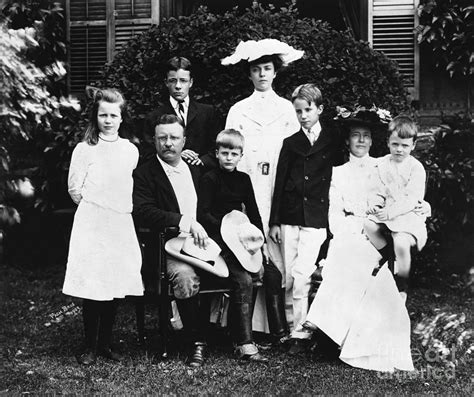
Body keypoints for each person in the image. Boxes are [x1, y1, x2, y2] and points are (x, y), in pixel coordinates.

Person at [300, 107, 428, 372]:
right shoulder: (338, 172)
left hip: (381, 232)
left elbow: (405, 196)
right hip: (350, 230)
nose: (360, 141)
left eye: (366, 136)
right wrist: (352, 230)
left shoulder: (383, 164)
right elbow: (334, 214)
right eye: (355, 135)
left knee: (357, 258)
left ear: (373, 140)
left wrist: (424, 206)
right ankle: (332, 332)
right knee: (345, 253)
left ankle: (335, 332)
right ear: (346, 140)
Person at [221, 39, 303, 343]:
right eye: (256, 70)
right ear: (250, 75)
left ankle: (282, 323)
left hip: (277, 187)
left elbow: (294, 155)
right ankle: (248, 323)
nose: (262, 75)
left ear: (275, 72)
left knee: (279, 249)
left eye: (267, 69)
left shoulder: (286, 109)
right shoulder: (239, 110)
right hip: (248, 183)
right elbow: (230, 151)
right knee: (248, 243)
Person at [63, 87, 143, 365]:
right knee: (93, 282)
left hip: (119, 221)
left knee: (114, 281)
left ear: (122, 118)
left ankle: (106, 343)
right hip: (93, 221)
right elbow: (75, 188)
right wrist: (95, 207)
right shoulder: (85, 149)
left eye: (113, 115)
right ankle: (89, 345)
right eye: (103, 115)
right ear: (95, 117)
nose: (108, 120)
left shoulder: (129, 150)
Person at [268, 84, 343, 354]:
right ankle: (292, 329)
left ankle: (302, 332)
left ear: (320, 109)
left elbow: (340, 177)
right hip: (290, 216)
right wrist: (275, 221)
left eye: (307, 110)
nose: (302, 115)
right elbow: (280, 182)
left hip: (316, 217)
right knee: (289, 276)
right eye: (298, 111)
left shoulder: (333, 140)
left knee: (303, 275)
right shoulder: (290, 143)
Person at [197, 129, 268, 362]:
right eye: (224, 153)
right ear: (216, 153)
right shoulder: (209, 178)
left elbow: (254, 212)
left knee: (265, 273)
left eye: (234, 153)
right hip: (216, 242)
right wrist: (227, 229)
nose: (228, 158)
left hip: (239, 239)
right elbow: (203, 214)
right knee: (243, 280)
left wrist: (260, 242)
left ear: (240, 156)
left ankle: (259, 333)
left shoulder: (243, 179)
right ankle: (244, 343)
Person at [364, 115, 428, 301]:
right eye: (395, 144)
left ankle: (403, 284)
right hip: (387, 214)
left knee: (400, 241)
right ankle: (387, 259)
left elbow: (412, 198)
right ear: (388, 143)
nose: (399, 149)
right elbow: (376, 190)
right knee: (368, 225)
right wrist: (375, 204)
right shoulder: (381, 164)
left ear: (413, 145)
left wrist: (390, 212)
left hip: (408, 216)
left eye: (405, 145)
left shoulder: (416, 168)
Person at [144, 56, 220, 168]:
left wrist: (202, 160)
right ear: (166, 82)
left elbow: (218, 147)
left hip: (203, 176)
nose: (178, 86)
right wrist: (176, 155)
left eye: (183, 81)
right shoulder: (154, 117)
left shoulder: (208, 112)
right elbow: (148, 154)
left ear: (191, 82)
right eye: (172, 81)